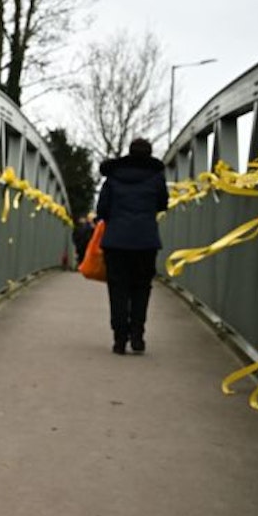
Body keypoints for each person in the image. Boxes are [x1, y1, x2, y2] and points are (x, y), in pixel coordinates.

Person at [95, 137, 169, 355]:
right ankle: (137, 335)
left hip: (116, 242)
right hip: (145, 242)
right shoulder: (156, 178)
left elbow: (102, 210)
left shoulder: (113, 178)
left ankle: (119, 339)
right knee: (141, 288)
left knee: (117, 289)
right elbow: (163, 204)